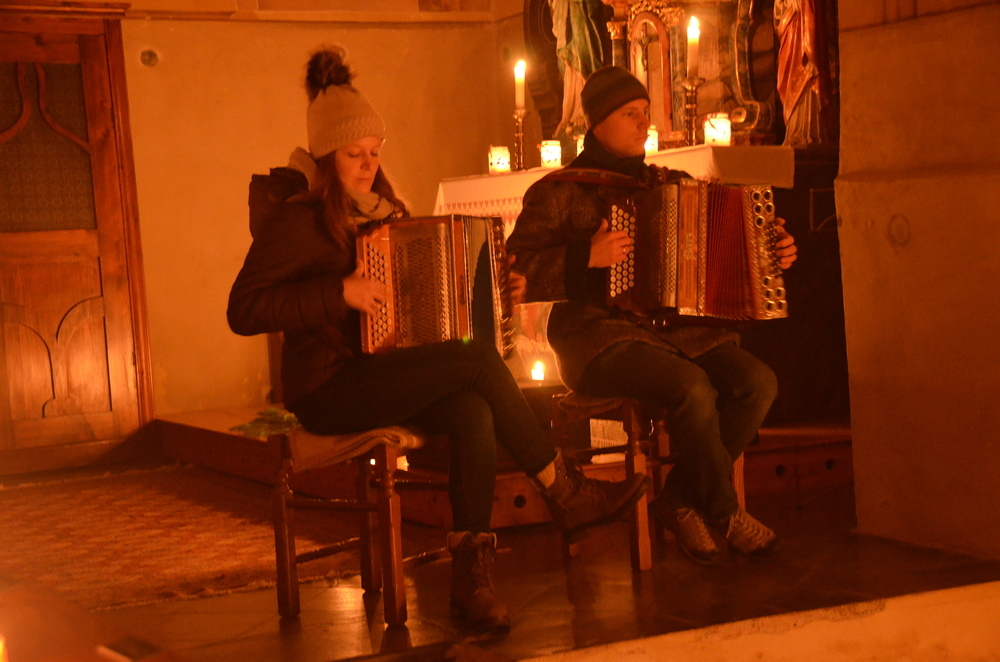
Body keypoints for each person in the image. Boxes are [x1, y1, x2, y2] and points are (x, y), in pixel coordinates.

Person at [226, 48, 648, 634]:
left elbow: (426, 301)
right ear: (325, 156)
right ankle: (563, 487)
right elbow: (243, 309)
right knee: (474, 365)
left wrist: (502, 292)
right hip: (327, 386)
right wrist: (338, 292)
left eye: (375, 152)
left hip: (382, 370)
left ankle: (471, 581)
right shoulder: (299, 221)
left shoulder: (384, 212)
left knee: (473, 409)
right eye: (353, 154)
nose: (368, 165)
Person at [506, 66, 798, 566]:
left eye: (645, 112)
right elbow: (513, 272)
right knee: (691, 387)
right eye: (630, 114)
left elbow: (730, 243)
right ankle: (724, 512)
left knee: (758, 382)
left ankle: (679, 499)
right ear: (596, 122)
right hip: (595, 339)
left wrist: (772, 250)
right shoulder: (557, 192)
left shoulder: (672, 185)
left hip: (678, 334)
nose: (645, 123)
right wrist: (584, 257)